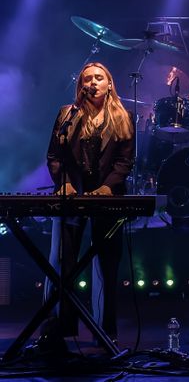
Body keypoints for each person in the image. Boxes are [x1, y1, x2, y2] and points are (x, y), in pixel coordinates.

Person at [45, 62, 135, 342]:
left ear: (110, 84)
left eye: (99, 78)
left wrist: (109, 187)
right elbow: (54, 156)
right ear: (80, 85)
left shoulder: (123, 116)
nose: (93, 82)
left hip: (108, 197)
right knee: (65, 262)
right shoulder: (67, 115)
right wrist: (65, 183)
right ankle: (64, 326)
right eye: (88, 78)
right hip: (72, 195)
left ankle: (105, 331)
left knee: (107, 264)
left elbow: (125, 161)